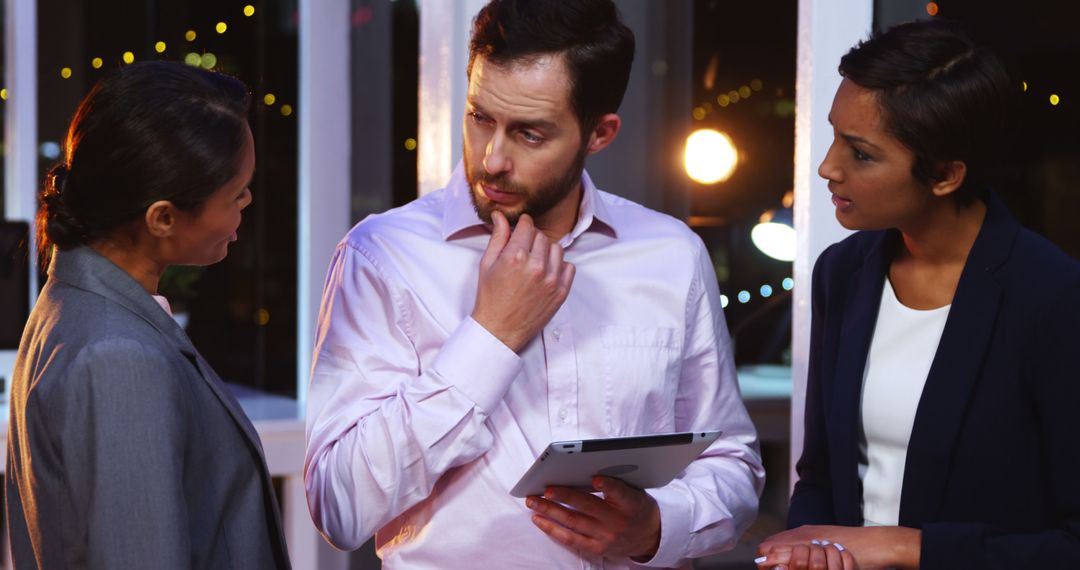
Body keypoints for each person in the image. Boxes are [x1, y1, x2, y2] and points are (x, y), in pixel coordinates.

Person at [304, 0, 765, 567]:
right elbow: (337, 505)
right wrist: (491, 336)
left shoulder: (670, 255)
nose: (492, 160)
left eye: (529, 134)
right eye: (480, 119)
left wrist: (657, 528)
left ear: (600, 133)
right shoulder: (383, 255)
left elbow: (732, 463)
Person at [757, 19, 1080, 570]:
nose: (827, 167)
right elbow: (820, 475)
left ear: (946, 175)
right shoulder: (843, 272)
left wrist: (906, 547)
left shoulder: (1051, 297)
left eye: (860, 153)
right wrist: (805, 550)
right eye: (835, 134)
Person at [6, 61, 291, 569]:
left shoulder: (71, 300)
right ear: (162, 217)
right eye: (235, 193)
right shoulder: (119, 356)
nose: (248, 201)